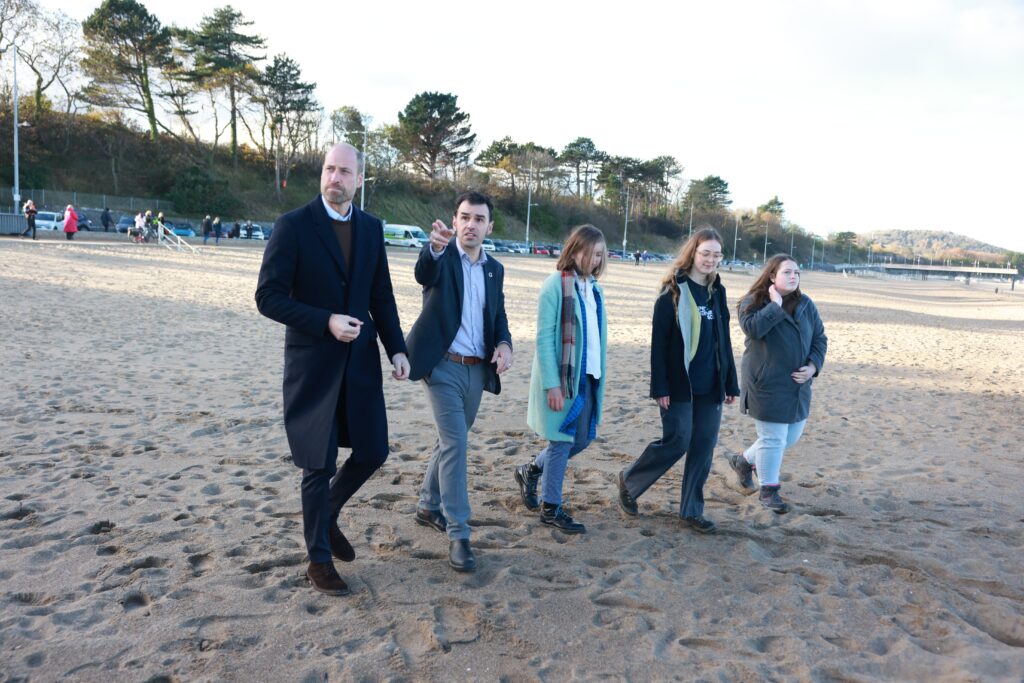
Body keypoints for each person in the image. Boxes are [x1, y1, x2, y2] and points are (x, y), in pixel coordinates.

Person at [255, 142, 410, 596]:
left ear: (359, 180)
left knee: (374, 450)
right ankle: (318, 559)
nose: (334, 178)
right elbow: (268, 297)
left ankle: (327, 511)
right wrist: (324, 320)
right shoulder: (293, 226)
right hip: (312, 365)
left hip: (360, 364)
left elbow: (380, 295)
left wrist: (396, 349)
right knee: (317, 464)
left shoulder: (371, 228)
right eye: (328, 169)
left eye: (344, 171)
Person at [405, 190, 513, 573]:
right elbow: (424, 272)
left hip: (475, 370)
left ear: (489, 226)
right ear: (454, 222)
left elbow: (497, 316)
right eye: (464, 217)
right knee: (457, 443)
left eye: (479, 219)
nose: (471, 224)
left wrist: (504, 345)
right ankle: (459, 533)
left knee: (450, 441)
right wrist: (433, 248)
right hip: (441, 366)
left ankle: (426, 504)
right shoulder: (443, 257)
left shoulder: (494, 269)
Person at [615, 228, 740, 533]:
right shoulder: (672, 293)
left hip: (711, 386)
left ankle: (691, 511)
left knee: (703, 446)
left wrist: (730, 383)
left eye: (716, 254)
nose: (710, 259)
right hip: (679, 385)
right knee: (678, 441)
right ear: (693, 254)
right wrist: (660, 387)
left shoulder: (717, 292)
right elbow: (658, 346)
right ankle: (630, 481)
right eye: (705, 253)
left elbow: (724, 339)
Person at [515, 225, 608, 535]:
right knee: (561, 440)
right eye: (587, 252)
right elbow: (543, 339)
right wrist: (551, 384)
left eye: (598, 254)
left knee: (582, 438)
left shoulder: (594, 288)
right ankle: (551, 508)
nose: (592, 259)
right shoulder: (554, 285)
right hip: (563, 380)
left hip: (590, 375)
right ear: (573, 250)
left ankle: (531, 470)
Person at [727, 254, 828, 514]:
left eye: (797, 272)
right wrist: (774, 305)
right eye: (787, 272)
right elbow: (753, 330)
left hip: (798, 386)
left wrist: (813, 366)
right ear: (772, 275)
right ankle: (768, 491)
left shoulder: (806, 304)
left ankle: (743, 460)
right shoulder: (752, 302)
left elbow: (819, 338)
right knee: (772, 438)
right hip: (766, 384)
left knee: (789, 437)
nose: (793, 276)